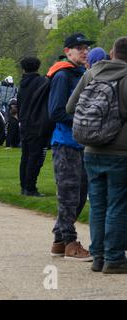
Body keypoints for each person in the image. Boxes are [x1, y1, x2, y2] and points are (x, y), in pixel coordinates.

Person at [66, 37, 127, 273]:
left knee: (99, 204)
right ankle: (114, 258)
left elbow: (71, 107)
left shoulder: (91, 73)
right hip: (120, 151)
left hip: (91, 149)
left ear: (112, 53)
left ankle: (99, 256)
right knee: (118, 204)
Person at [48, 32, 94, 261]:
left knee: (79, 193)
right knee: (69, 195)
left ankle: (59, 239)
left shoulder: (81, 73)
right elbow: (56, 111)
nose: (84, 51)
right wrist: (84, 121)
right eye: (79, 47)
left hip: (79, 143)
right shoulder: (63, 75)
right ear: (68, 51)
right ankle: (69, 242)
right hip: (65, 143)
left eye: (86, 47)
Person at [18, 57, 48, 197]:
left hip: (24, 122)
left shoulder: (22, 83)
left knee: (26, 155)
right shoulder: (42, 82)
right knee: (35, 157)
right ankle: (30, 187)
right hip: (36, 122)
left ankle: (24, 185)